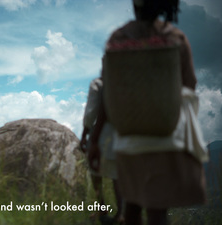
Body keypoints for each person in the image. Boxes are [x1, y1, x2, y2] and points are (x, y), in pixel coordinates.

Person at [87, 0, 208, 225]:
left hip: (129, 138)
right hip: (165, 136)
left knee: (132, 207)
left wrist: (94, 140)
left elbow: (107, 92)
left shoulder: (118, 38)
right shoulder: (176, 38)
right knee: (157, 211)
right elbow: (190, 83)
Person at [81, 78, 124, 225]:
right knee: (116, 177)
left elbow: (91, 111)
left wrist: (85, 131)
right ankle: (120, 212)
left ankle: (102, 207)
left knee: (95, 174)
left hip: (101, 135)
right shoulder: (124, 81)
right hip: (121, 134)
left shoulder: (98, 84)